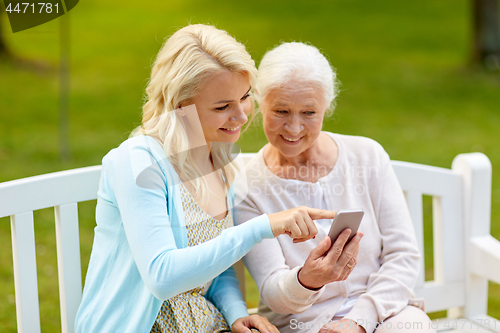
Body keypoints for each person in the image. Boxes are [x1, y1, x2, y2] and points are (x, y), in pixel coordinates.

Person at [74, 25, 335, 333]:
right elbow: (163, 276)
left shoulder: (219, 158)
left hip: (205, 325)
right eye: (223, 106)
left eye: (244, 97)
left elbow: (216, 270)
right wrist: (264, 226)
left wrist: (237, 314)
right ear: (181, 105)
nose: (241, 116)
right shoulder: (139, 161)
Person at [234, 42, 436, 333]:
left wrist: (359, 320)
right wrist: (307, 279)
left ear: (326, 107)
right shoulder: (247, 187)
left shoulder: (367, 155)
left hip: (385, 312)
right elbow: (273, 292)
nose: (293, 127)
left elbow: (403, 256)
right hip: (302, 324)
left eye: (308, 113)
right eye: (281, 111)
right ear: (259, 102)